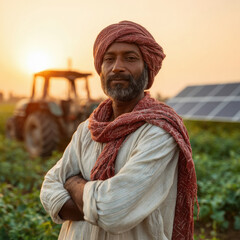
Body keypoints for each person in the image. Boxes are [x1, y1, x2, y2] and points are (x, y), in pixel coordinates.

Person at [40, 20, 198, 240]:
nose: (117, 67)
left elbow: (112, 211)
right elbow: (49, 188)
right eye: (109, 59)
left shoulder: (159, 132)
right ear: (101, 68)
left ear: (147, 66)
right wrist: (95, 203)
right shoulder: (87, 129)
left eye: (130, 58)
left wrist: (74, 184)